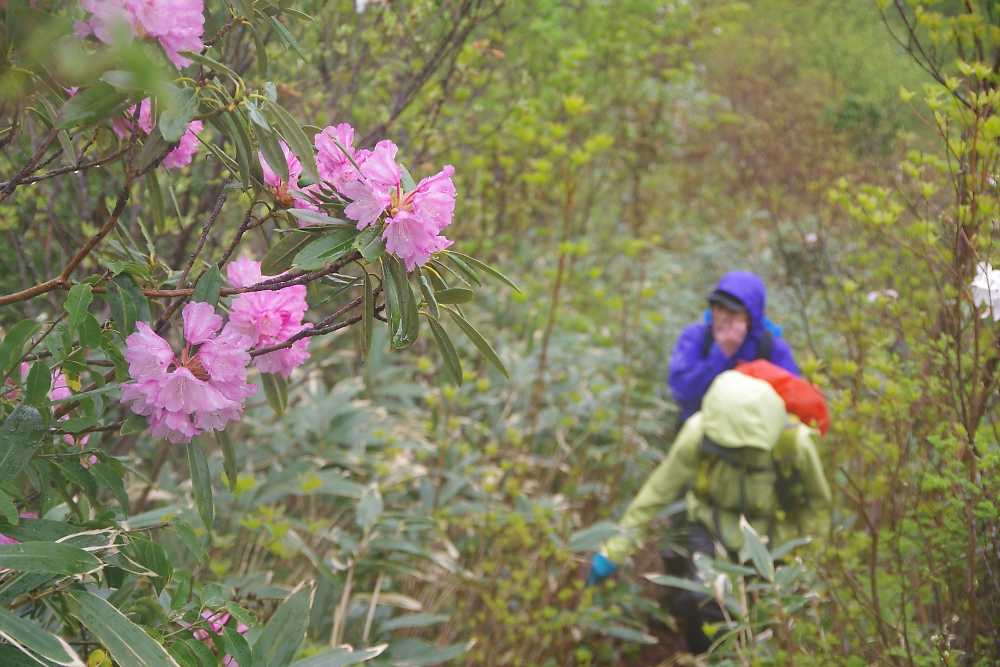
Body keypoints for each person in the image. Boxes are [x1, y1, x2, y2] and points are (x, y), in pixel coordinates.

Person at [587, 371, 831, 654]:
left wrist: (809, 564)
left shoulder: (793, 443)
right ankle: (705, 656)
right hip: (709, 525)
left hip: (771, 537)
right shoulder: (698, 433)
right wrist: (615, 550)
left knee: (764, 615)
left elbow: (818, 506)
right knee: (702, 599)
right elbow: (658, 491)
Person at [669, 271, 800, 423]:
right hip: (704, 427)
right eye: (718, 308)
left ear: (750, 318)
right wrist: (721, 353)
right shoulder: (695, 338)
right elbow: (683, 394)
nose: (722, 317)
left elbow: (792, 400)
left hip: (756, 429)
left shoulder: (772, 348)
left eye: (733, 312)